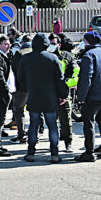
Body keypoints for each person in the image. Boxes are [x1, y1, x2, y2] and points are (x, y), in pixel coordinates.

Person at [17, 33, 68, 163]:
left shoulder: (26, 58)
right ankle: (54, 153)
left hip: (33, 95)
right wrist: (63, 95)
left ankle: (31, 152)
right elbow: (59, 79)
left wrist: (28, 88)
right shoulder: (53, 58)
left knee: (33, 124)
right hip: (50, 96)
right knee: (52, 125)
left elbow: (20, 78)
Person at [74, 32, 101, 162]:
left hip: (92, 95)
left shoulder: (89, 55)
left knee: (89, 123)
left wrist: (81, 96)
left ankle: (89, 152)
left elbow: (86, 78)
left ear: (87, 42)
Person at [7, 35, 31, 144]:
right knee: (36, 112)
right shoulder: (38, 53)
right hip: (36, 88)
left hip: (21, 88)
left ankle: (21, 135)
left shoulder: (19, 54)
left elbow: (13, 70)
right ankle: (35, 135)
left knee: (19, 110)